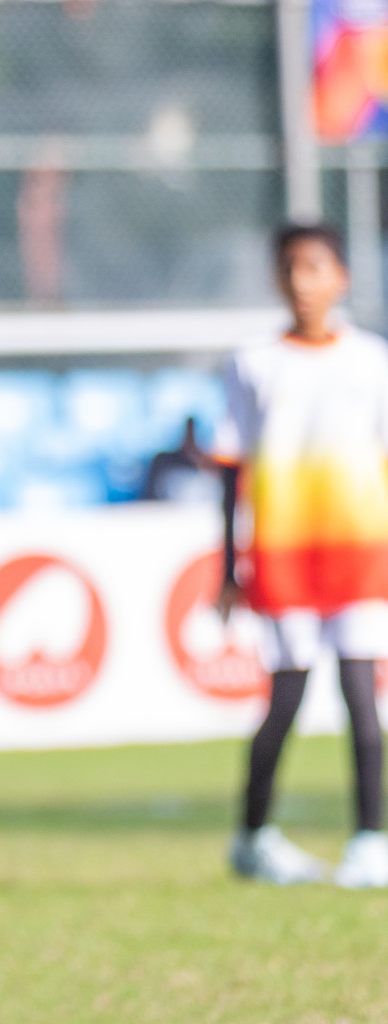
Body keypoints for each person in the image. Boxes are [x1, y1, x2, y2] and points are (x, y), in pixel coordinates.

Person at [215, 223, 388, 888]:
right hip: (284, 556)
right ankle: (253, 838)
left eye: (315, 268)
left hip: (358, 553)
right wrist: (228, 567)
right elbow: (230, 471)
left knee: (359, 697)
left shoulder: (371, 361)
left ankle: (369, 839)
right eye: (290, 268)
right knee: (284, 700)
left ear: (340, 277)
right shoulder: (253, 364)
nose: (301, 282)